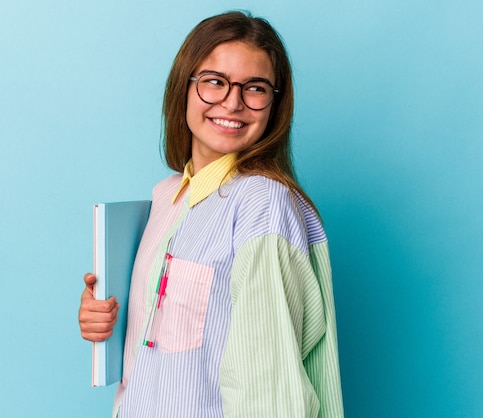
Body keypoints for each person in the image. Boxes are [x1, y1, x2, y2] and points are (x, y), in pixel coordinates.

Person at [78, 11, 344, 418]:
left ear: (275, 103)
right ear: (183, 87)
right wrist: (105, 317)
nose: (232, 103)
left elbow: (270, 387)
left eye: (255, 88)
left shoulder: (262, 205)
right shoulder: (166, 196)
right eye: (215, 82)